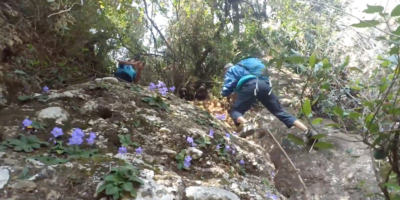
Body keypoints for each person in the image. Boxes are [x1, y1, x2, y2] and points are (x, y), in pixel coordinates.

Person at [221, 57, 318, 144]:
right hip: (264, 85)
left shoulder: (232, 70)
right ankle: (308, 132)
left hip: (250, 86)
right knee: (280, 111)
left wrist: (225, 92)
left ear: (226, 70)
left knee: (235, 111)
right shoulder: (246, 64)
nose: (225, 75)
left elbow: (226, 89)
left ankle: (247, 125)